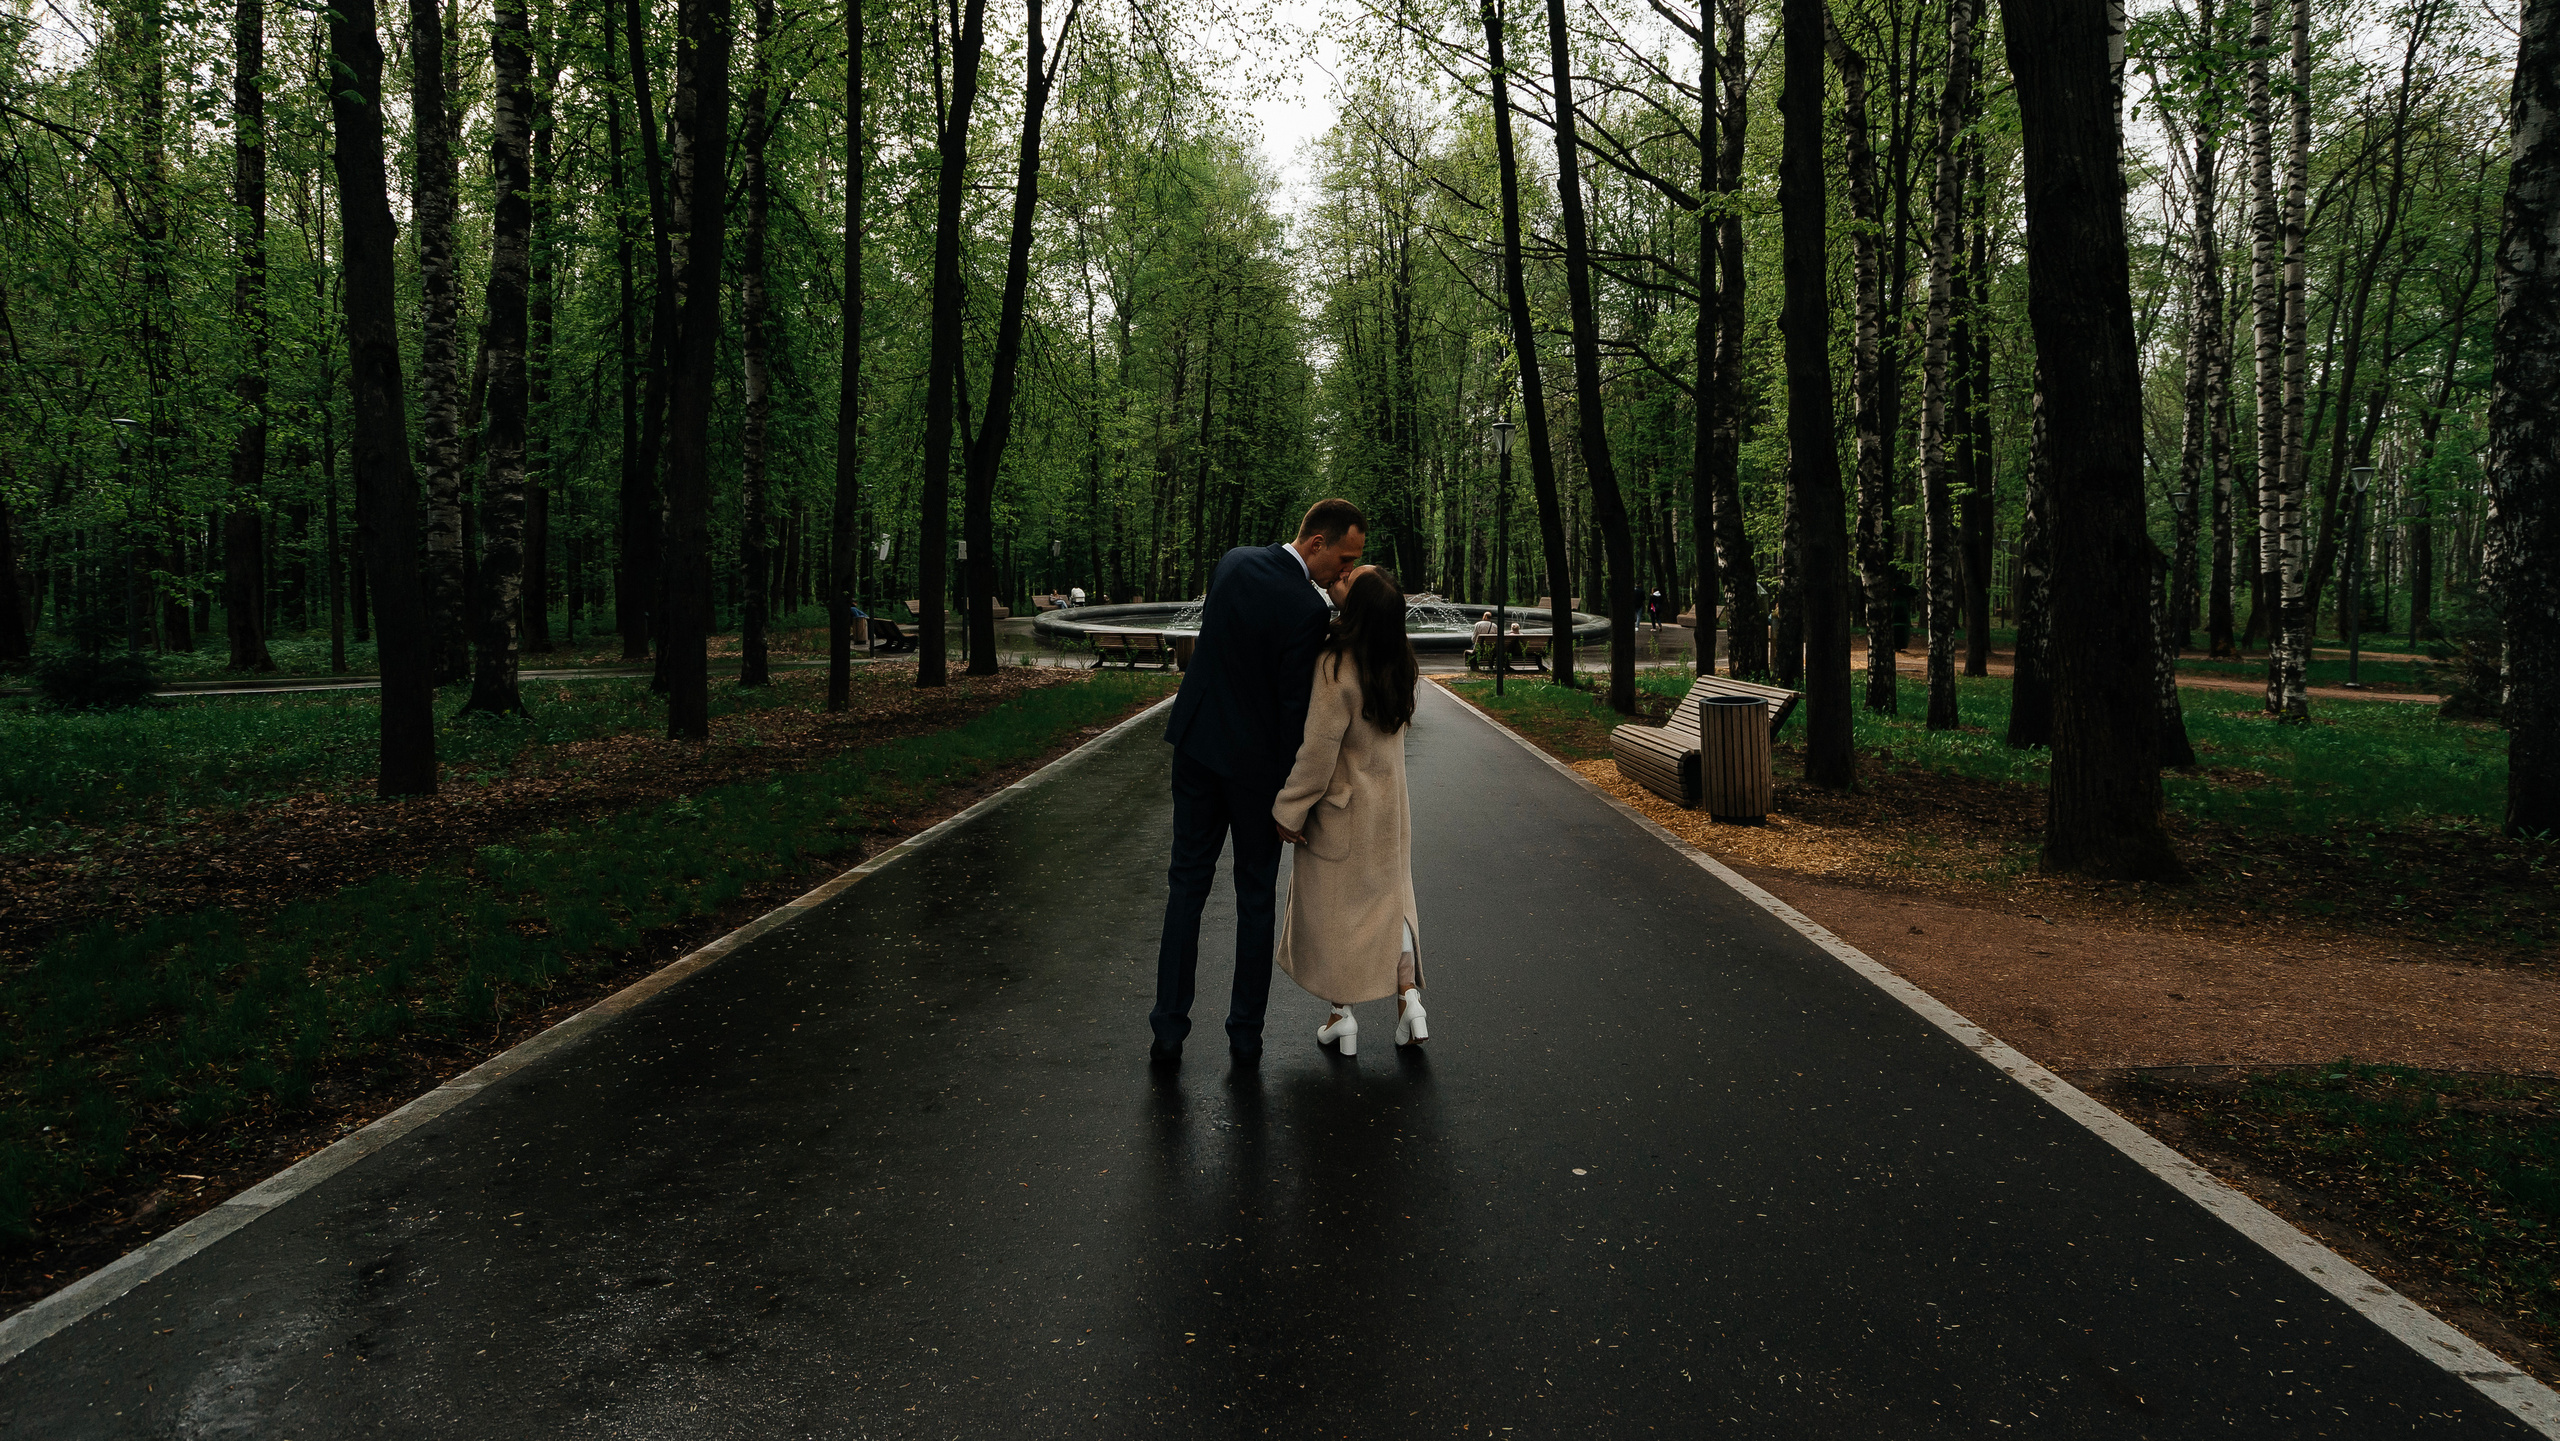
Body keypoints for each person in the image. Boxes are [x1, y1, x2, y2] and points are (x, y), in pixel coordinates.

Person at [1150, 498, 1367, 1065]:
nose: (1344, 572)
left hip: (1197, 748)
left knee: (1186, 888)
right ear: (1316, 542)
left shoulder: (1233, 563)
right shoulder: (1307, 609)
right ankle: (1245, 1034)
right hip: (1254, 775)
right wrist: (1292, 800)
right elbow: (1296, 710)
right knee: (1254, 899)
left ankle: (1168, 1030)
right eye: (1343, 559)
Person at [1273, 567, 1426, 1055]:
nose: (1334, 580)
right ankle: (1409, 1001)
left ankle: (1344, 1016)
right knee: (1390, 906)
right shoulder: (1399, 659)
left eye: (1345, 581)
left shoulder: (1336, 666)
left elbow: (1318, 753)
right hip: (1390, 816)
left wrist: (1288, 810)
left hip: (1342, 814)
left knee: (1336, 917)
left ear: (1355, 607)